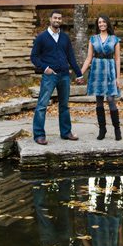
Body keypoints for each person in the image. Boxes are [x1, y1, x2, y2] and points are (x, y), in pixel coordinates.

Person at [31, 10, 84, 145]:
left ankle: (66, 132)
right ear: (50, 19)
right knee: (42, 105)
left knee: (64, 106)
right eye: (55, 18)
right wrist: (45, 68)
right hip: (50, 76)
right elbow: (34, 57)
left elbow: (71, 57)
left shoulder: (65, 37)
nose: (57, 20)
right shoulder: (41, 37)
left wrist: (79, 73)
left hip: (64, 75)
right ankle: (39, 135)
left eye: (60, 18)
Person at [81, 15, 122, 140]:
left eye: (103, 22)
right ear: (97, 24)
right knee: (99, 100)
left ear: (107, 23)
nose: (101, 24)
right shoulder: (93, 39)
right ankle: (102, 129)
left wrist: (118, 78)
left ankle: (117, 129)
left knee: (110, 99)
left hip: (110, 70)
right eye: (99, 22)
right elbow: (89, 57)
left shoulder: (114, 39)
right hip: (97, 70)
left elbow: (117, 58)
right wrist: (80, 72)